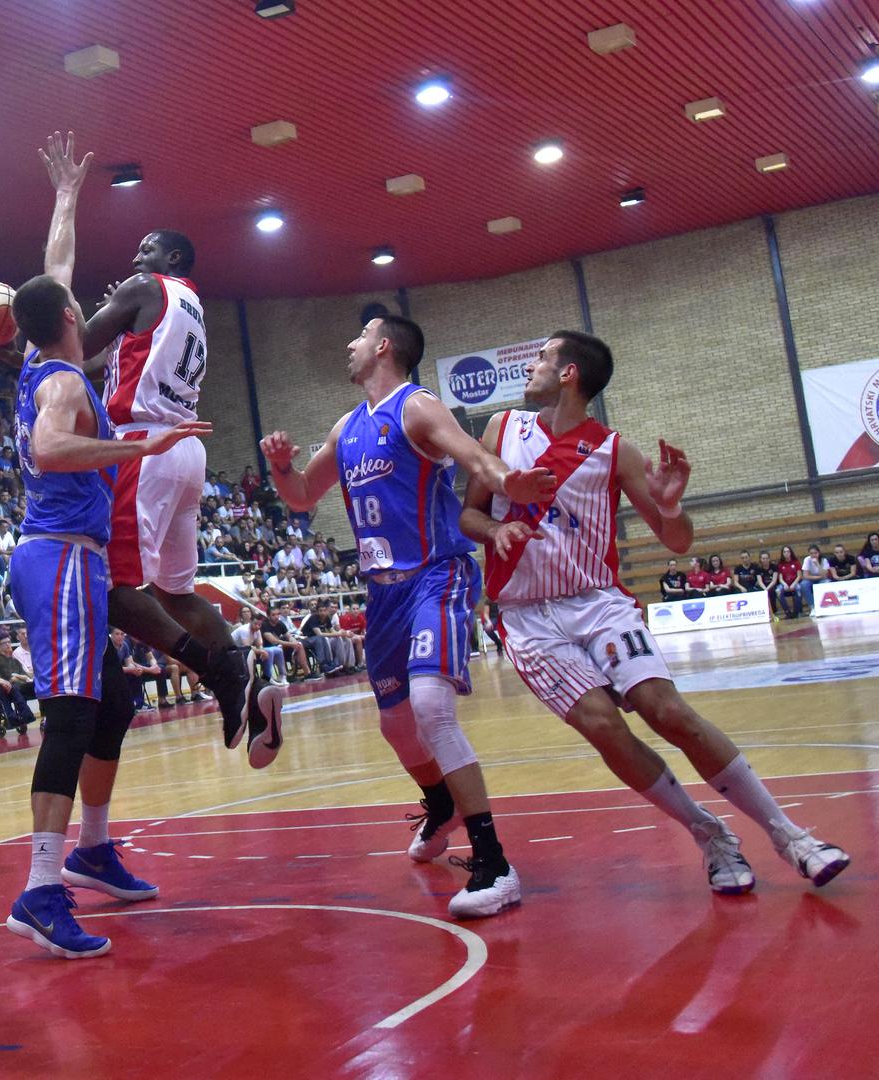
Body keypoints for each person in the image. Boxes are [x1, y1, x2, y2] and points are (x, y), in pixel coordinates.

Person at [460, 330, 849, 895]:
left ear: (569, 373)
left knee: (667, 711)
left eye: (541, 358)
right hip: (526, 616)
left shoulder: (616, 450)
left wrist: (670, 505)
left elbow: (678, 541)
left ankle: (790, 836)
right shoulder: (501, 429)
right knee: (603, 727)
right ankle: (709, 833)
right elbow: (468, 515)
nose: (530, 368)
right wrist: (495, 529)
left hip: (597, 603)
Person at [260, 314, 556, 919]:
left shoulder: (415, 407)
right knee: (396, 726)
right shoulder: (346, 428)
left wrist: (510, 483)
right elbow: (301, 497)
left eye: (359, 336)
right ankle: (439, 803)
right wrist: (283, 467)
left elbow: (474, 456)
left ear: (384, 346)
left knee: (429, 707)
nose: (350, 343)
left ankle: (495, 863)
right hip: (383, 594)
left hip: (435, 574)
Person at [33, 131, 272, 763]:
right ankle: (243, 671)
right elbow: (111, 358)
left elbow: (76, 346)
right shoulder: (190, 306)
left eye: (148, 250)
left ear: (173, 258)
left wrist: (45, 319)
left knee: (116, 587)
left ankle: (217, 673)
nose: (136, 257)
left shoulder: (144, 288)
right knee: (175, 592)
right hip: (185, 449)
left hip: (143, 444)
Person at [2, 262, 212, 960]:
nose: (92, 303)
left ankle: (91, 850)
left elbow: (54, 268)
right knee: (69, 720)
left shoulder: (38, 362)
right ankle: (39, 890)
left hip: (74, 558)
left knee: (114, 703)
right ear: (69, 316)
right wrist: (138, 446)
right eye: (77, 302)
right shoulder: (63, 381)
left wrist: (66, 206)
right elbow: (49, 447)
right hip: (60, 555)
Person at [0, 637, 36, 729]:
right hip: (9, 689)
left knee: (39, 685)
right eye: (4, 643)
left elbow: (26, 676)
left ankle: (44, 717)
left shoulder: (14, 660)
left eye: (9, 642)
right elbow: (11, 679)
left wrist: (20, 676)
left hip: (21, 685)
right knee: (25, 686)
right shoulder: (0, 660)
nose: (8, 644)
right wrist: (22, 678)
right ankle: (26, 715)